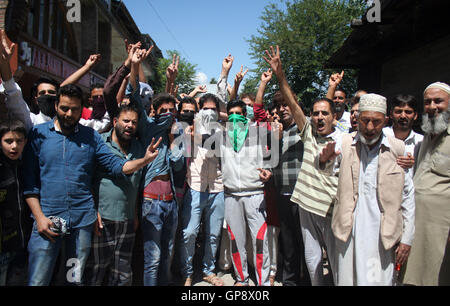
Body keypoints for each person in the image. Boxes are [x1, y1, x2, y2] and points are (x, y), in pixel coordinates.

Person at [22, 83, 160, 286]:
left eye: (75, 109)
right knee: (38, 280)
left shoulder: (91, 137)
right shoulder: (38, 135)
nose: (69, 113)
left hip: (81, 223)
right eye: (64, 108)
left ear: (81, 108)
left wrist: (145, 160)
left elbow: (117, 166)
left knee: (73, 279)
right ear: (56, 106)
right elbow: (29, 183)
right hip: (47, 221)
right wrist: (39, 218)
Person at [319, 93, 415, 286]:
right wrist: (323, 160)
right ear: (356, 118)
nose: (370, 127)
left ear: (386, 121)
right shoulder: (345, 143)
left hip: (382, 235)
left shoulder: (397, 148)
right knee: (346, 280)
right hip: (348, 230)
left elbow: (408, 196)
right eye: (365, 121)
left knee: (377, 280)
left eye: (377, 122)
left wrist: (407, 239)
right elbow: (328, 169)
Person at [264, 45, 341, 286]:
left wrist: (331, 88)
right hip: (293, 196)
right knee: (295, 247)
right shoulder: (295, 131)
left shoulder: (344, 139)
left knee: (327, 254)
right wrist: (279, 76)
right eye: (315, 114)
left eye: (325, 114)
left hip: (327, 205)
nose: (320, 118)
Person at [83, 104, 160, 286]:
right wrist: (94, 211)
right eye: (126, 121)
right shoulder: (99, 143)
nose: (130, 125)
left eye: (134, 122)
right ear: (116, 121)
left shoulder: (140, 148)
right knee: (96, 271)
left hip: (127, 221)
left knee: (123, 274)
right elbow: (87, 181)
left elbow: (136, 185)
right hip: (102, 221)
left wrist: (134, 214)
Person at [254, 69, 311, 286]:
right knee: (288, 245)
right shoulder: (276, 132)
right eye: (278, 105)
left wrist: (280, 77)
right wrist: (270, 172)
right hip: (283, 195)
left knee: (307, 244)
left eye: (286, 104)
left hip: (303, 197)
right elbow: (272, 163)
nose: (282, 109)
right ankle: (290, 282)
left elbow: (296, 110)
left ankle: (309, 280)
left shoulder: (306, 128)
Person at [402, 82, 450, 286]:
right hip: (417, 226)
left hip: (441, 230)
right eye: (427, 102)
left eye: (438, 101)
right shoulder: (426, 137)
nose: (432, 106)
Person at [179, 93, 225, 286]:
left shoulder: (223, 131)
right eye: (205, 108)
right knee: (189, 233)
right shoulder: (189, 128)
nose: (209, 112)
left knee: (213, 234)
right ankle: (187, 272)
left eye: (213, 109)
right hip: (196, 185)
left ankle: (208, 270)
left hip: (217, 186)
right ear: (199, 110)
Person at [0, 119, 32, 286]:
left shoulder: (25, 167)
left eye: (19, 141)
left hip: (21, 245)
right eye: (8, 141)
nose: (14, 146)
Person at [383, 94, 423, 176]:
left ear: (415, 116)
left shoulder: (421, 142)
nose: (403, 116)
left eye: (408, 112)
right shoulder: (381, 136)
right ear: (391, 114)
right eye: (398, 111)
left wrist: (415, 164)